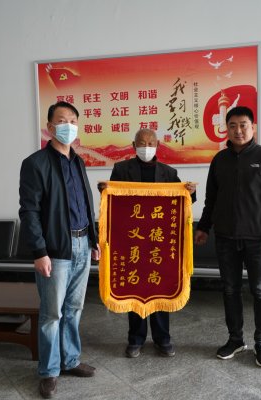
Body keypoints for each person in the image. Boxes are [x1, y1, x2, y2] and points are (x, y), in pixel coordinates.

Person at [194, 106, 261, 368]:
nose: (238, 130)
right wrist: (204, 227)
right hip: (225, 237)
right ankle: (235, 339)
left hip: (258, 239)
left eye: (243, 125)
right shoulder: (219, 160)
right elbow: (212, 198)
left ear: (253, 127)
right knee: (230, 289)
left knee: (260, 290)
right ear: (227, 128)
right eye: (232, 125)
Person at [19, 101, 100, 399]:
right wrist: (39, 252)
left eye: (73, 121)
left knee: (74, 308)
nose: (69, 126)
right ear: (50, 127)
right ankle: (49, 371)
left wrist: (93, 239)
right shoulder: (35, 163)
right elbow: (29, 211)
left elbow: (86, 204)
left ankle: (70, 360)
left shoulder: (78, 161)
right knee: (52, 313)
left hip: (82, 243)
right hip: (55, 249)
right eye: (62, 120)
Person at [100, 128, 196, 359]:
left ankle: (163, 339)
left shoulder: (169, 172)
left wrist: (190, 192)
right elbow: (112, 202)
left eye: (151, 142)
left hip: (158, 242)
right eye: (141, 143)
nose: (146, 147)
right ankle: (136, 339)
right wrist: (104, 190)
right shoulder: (121, 169)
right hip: (131, 241)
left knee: (160, 288)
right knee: (135, 288)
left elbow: (181, 202)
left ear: (158, 145)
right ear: (134, 146)